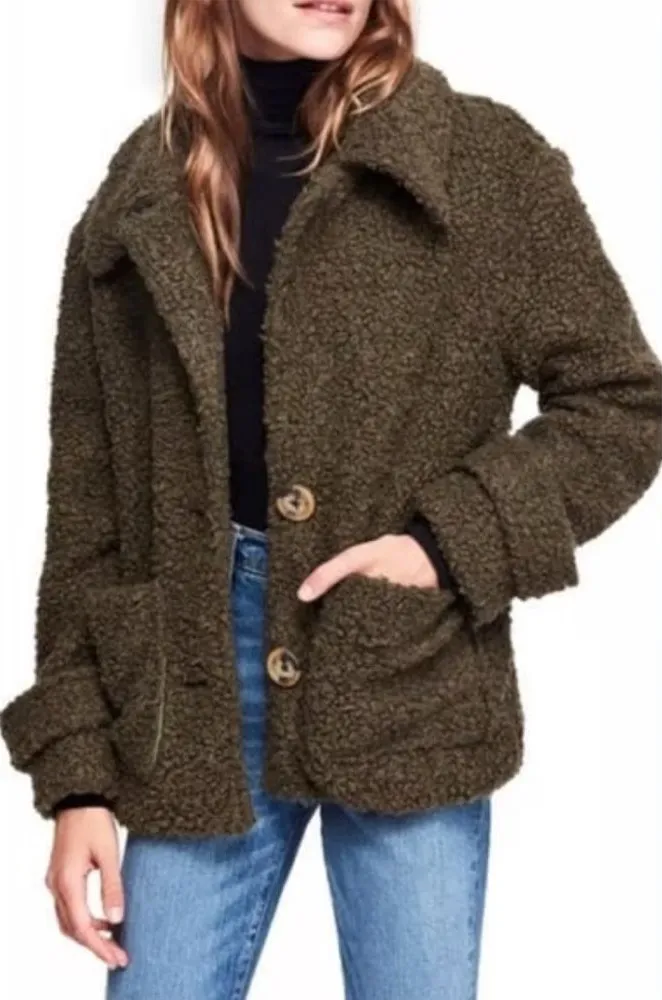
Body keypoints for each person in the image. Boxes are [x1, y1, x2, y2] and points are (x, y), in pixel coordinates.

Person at [2, 0, 661, 997]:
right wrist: (78, 779)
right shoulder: (139, 195)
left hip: (405, 663)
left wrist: (442, 543)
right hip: (194, 684)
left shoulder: (479, 162)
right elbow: (88, 515)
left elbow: (621, 403)